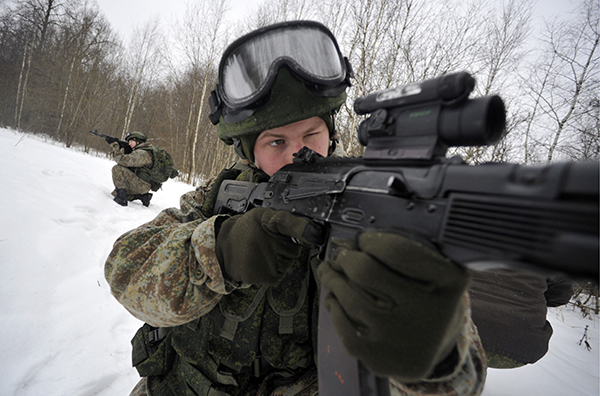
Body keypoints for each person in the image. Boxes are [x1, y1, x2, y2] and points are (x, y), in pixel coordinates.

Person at [105, 21, 486, 396]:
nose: (296, 154)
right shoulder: (219, 195)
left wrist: (422, 341)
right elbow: (124, 270)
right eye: (275, 142)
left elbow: (461, 384)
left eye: (310, 135)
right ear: (248, 150)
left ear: (332, 133)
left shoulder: (376, 206)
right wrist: (221, 250)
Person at [469, 269, 573, 368]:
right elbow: (561, 296)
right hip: (520, 347)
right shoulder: (552, 254)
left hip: (462, 334)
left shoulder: (471, 250)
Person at [110, 131, 155, 207]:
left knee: (117, 168)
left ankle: (121, 199)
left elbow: (121, 160)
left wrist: (115, 148)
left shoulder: (142, 153)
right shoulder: (145, 150)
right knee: (115, 193)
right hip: (143, 184)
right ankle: (142, 197)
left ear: (138, 142)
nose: (129, 144)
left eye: (131, 141)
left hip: (142, 184)